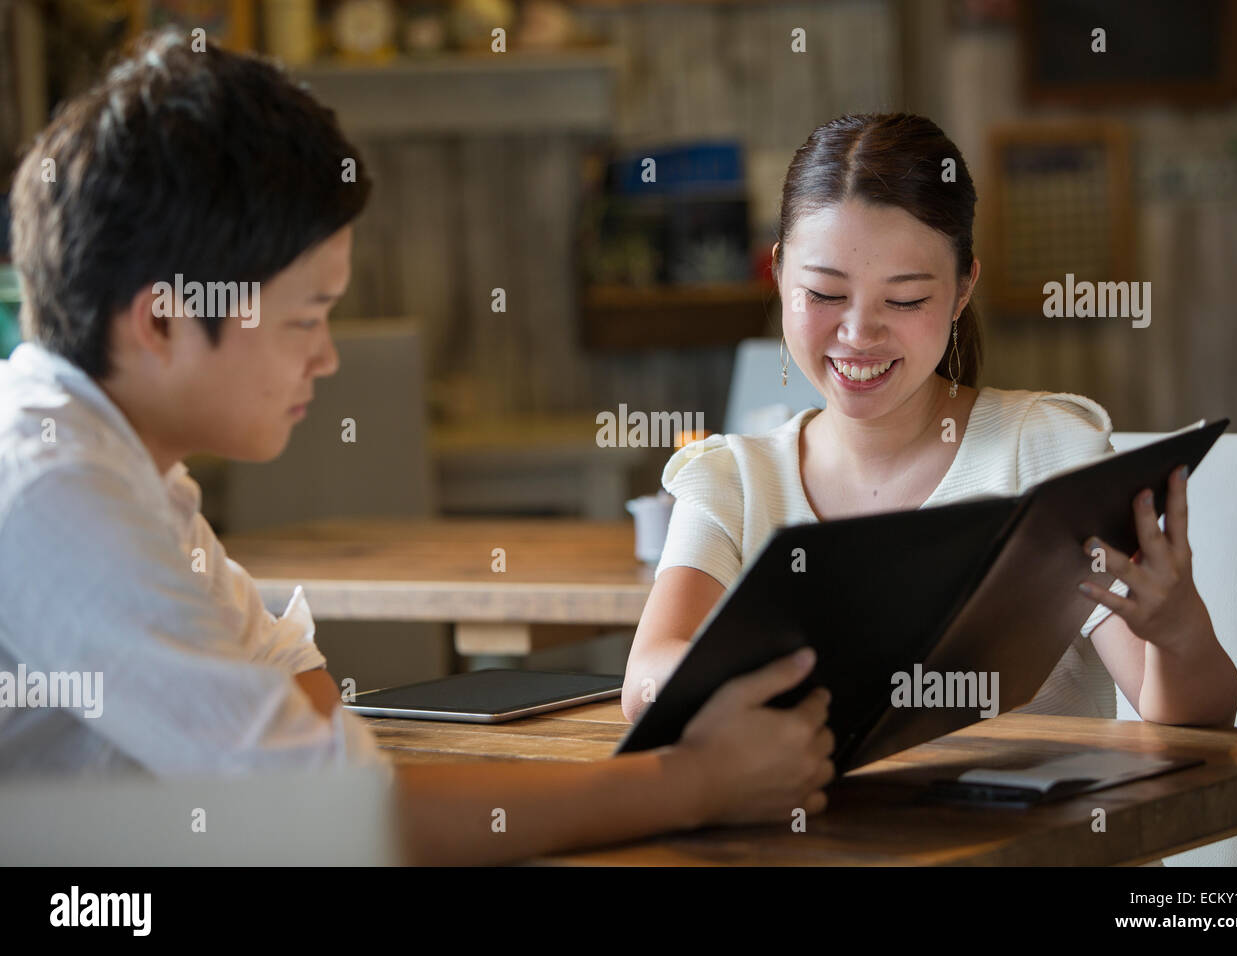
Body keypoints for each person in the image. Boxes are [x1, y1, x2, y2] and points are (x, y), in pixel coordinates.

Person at [0, 30, 835, 866]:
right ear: (161, 319)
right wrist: (696, 783)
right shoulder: (54, 490)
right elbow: (339, 822)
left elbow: (299, 695)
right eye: (306, 318)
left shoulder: (119, 464)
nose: (325, 357)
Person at [623, 112, 1237, 732]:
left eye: (906, 299)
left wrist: (1179, 632)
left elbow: (1187, 719)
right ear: (781, 274)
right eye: (825, 294)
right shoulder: (733, 479)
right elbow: (646, 682)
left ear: (962, 289)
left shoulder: (1046, 454)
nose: (859, 333)